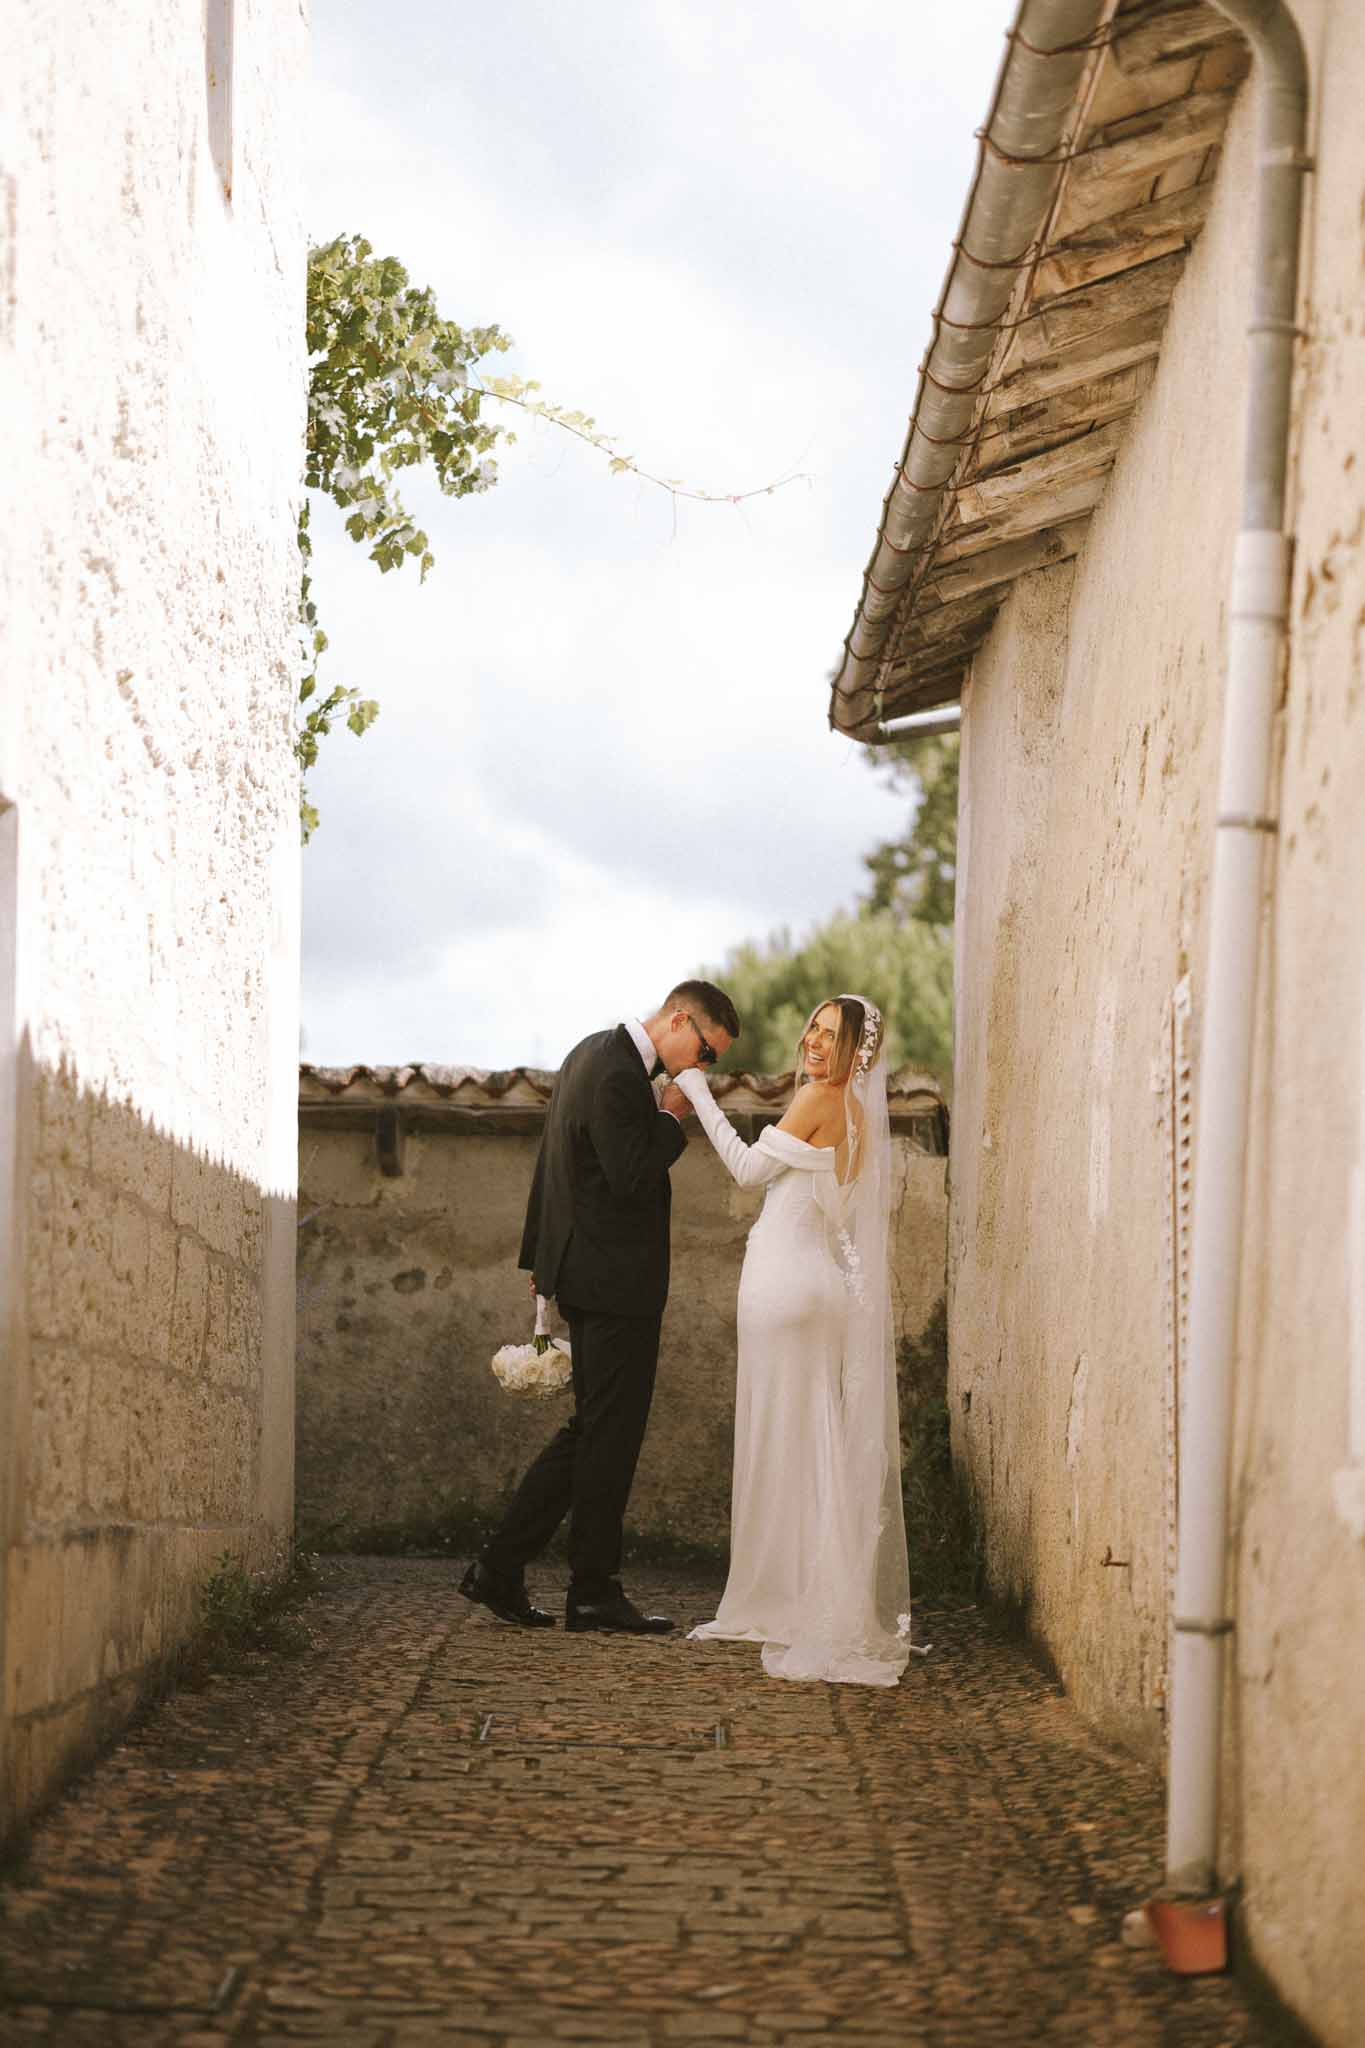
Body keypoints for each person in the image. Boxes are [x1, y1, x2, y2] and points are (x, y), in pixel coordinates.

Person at [460, 980, 740, 1635]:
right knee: (608, 1439)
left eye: (711, 1061)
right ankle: (590, 1591)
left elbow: (554, 1163)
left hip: (586, 1273)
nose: (701, 1068)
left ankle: (501, 1568)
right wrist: (672, 1117)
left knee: (590, 1433)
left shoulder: (590, 1052)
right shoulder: (617, 1072)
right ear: (677, 1019)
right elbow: (629, 1174)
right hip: (615, 1285)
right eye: (704, 1051)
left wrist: (539, 1260)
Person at [672, 995, 912, 1686]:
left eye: (829, 1035)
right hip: (823, 1289)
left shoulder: (817, 1098)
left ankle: (777, 1597)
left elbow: (748, 1171)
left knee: (778, 1436)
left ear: (853, 1052)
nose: (813, 1041)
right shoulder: (861, 1117)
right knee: (812, 1439)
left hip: (782, 1285)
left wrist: (696, 1089)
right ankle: (813, 1590)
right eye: (812, 1025)